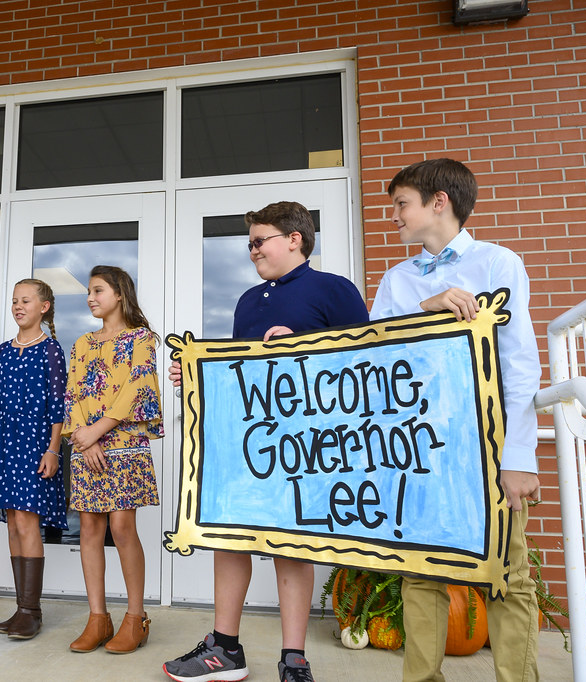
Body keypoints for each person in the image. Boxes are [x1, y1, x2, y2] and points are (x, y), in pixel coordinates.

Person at [163, 201, 368, 682]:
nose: (252, 250)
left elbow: (364, 367)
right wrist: (197, 377)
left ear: (294, 238)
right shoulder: (247, 301)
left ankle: (294, 658)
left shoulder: (335, 290)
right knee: (229, 538)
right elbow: (243, 375)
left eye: (260, 241)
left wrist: (304, 347)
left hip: (305, 444)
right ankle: (225, 650)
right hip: (247, 442)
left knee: (291, 545)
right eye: (249, 243)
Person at [371, 158, 540, 682]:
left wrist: (517, 456)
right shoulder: (397, 280)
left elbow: (518, 363)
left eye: (402, 204)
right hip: (418, 447)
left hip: (486, 447)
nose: (393, 216)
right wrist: (428, 306)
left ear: (438, 202)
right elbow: (371, 356)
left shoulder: (497, 263)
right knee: (421, 574)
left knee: (507, 573)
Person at [0, 278, 68, 641]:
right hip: (9, 447)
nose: (18, 306)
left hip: (37, 446)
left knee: (27, 522)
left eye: (26, 300)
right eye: (15, 301)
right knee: (12, 523)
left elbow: (58, 406)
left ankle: (32, 612)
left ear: (44, 307)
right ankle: (21, 607)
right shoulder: (3, 351)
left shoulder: (50, 350)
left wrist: (53, 450)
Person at [64, 265, 162, 655]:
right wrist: (83, 440)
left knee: (121, 527)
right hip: (88, 445)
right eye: (89, 291)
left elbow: (137, 388)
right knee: (89, 527)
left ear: (119, 293)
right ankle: (97, 617)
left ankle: (135, 619)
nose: (91, 297)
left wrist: (98, 430)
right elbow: (71, 393)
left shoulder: (142, 339)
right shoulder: (82, 343)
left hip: (124, 441)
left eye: (98, 290)